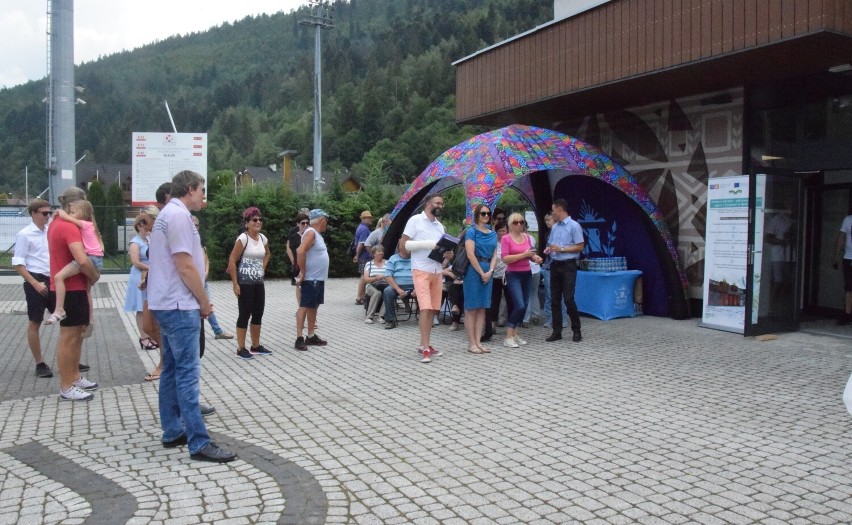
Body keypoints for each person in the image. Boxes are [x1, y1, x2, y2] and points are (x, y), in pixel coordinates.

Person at [147, 170, 236, 463]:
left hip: (166, 302)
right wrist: (204, 300)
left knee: (172, 369)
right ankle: (199, 442)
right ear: (188, 188)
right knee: (187, 372)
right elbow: (185, 266)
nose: (203, 195)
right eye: (201, 189)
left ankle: (172, 430)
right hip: (179, 303)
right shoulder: (180, 216)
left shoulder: (169, 214)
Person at [48, 187, 100, 401]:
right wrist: (94, 275)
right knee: (69, 338)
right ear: (72, 206)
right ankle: (66, 385)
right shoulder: (68, 227)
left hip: (73, 287)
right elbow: (81, 259)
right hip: (71, 289)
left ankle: (75, 377)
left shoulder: (55, 223)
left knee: (76, 336)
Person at [400, 193, 453, 363]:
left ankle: (427, 344)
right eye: (438, 202)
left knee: (432, 309)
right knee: (424, 308)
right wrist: (428, 244)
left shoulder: (440, 226)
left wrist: (448, 255)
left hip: (436, 270)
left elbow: (441, 252)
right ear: (428, 203)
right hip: (421, 269)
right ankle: (424, 347)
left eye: (442, 203)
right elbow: (404, 246)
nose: (441, 206)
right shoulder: (415, 220)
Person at [44, 200, 104, 326]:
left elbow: (66, 218)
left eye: (73, 212)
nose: (70, 215)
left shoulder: (86, 224)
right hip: (97, 259)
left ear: (84, 213)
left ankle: (59, 309)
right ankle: (90, 320)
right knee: (87, 292)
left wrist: (60, 212)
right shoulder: (91, 226)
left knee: (58, 277)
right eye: (70, 212)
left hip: (91, 258)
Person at [13, 198, 55, 378]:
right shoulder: (24, 234)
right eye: (45, 213)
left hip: (52, 279)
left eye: (49, 213)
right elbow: (18, 263)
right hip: (35, 279)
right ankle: (40, 363)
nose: (48, 216)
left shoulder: (49, 231)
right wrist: (34, 283)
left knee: (67, 320)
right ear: (33, 213)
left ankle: (71, 358)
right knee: (35, 321)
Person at [228, 207, 272, 359]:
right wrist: (235, 283)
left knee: (258, 313)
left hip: (258, 282)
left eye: (260, 219)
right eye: (254, 220)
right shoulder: (243, 239)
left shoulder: (263, 238)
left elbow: (267, 254)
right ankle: (241, 348)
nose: (258, 222)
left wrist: (262, 269)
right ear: (247, 223)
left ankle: (256, 345)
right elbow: (232, 261)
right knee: (244, 313)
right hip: (244, 283)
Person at [547, 199, 586, 343]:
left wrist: (562, 249)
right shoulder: (555, 227)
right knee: (554, 299)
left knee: (568, 298)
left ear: (560, 209)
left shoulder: (574, 226)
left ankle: (576, 330)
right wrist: (549, 249)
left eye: (553, 210)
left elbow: (580, 246)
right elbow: (553, 245)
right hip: (555, 264)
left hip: (569, 265)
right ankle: (557, 331)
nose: (553, 213)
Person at [501, 213, 542, 348]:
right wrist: (524, 255)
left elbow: (531, 254)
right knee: (519, 304)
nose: (519, 225)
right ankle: (508, 336)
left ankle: (515, 334)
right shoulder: (506, 238)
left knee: (524, 304)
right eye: (515, 222)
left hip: (526, 273)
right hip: (513, 274)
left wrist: (536, 258)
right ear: (510, 225)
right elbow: (505, 258)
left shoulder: (527, 238)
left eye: (521, 222)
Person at [463, 204, 498, 354]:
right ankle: (471, 343)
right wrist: (481, 272)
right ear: (477, 215)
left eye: (488, 213)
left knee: (482, 308)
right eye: (483, 213)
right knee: (472, 308)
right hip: (473, 270)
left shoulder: (493, 233)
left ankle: (479, 341)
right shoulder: (471, 232)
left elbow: (495, 254)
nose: (486, 216)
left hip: (487, 268)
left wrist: (490, 271)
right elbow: (470, 254)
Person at [192, 214, 233, 340]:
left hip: (203, 279)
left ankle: (217, 330)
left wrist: (206, 271)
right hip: (195, 280)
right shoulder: (189, 243)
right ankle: (216, 331)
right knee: (203, 305)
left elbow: (206, 259)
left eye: (197, 225)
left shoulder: (200, 242)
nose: (195, 227)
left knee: (207, 304)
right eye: (193, 225)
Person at [124, 207, 160, 352]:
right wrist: (151, 268)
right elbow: (135, 261)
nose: (147, 227)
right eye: (144, 223)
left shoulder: (149, 240)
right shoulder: (135, 242)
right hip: (139, 275)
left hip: (150, 276)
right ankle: (143, 337)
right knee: (140, 308)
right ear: (139, 225)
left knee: (149, 307)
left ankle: (150, 334)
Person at [295, 209, 331, 351]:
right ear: (321, 220)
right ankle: (299, 338)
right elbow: (300, 250)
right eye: (326, 221)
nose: (327, 224)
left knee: (314, 306)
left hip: (318, 278)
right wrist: (303, 272)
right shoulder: (311, 233)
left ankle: (310, 335)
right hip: (311, 278)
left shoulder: (316, 234)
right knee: (304, 306)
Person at [539, 213, 568, 330]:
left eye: (549, 220)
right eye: (545, 220)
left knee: (559, 295)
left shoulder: (561, 233)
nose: (547, 222)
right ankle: (550, 319)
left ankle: (563, 319)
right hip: (547, 267)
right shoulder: (548, 234)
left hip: (557, 267)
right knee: (549, 295)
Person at [483, 221, 509, 342]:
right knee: (494, 300)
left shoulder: (509, 241)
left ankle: (510, 325)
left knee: (510, 300)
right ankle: (492, 324)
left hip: (508, 275)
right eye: (500, 231)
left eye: (504, 230)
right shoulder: (494, 243)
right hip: (495, 275)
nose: (502, 233)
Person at [382, 247, 415, 330]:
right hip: (398, 286)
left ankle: (427, 319)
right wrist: (398, 289)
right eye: (405, 247)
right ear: (400, 248)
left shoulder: (416, 258)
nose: (408, 249)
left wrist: (417, 288)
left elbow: (422, 274)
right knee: (387, 291)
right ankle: (390, 320)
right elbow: (388, 275)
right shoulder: (393, 258)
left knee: (425, 290)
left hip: (415, 286)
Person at [834, 212, 852, 325]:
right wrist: (836, 256)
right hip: (849, 257)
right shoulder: (848, 220)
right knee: (849, 287)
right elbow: (842, 237)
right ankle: (847, 314)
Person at [363, 245, 388, 323]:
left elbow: (392, 275)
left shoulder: (388, 263)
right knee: (377, 293)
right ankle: (369, 317)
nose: (381, 253)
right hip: (371, 285)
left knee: (388, 293)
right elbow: (366, 279)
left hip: (385, 283)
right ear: (374, 254)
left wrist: (384, 276)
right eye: (379, 251)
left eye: (382, 251)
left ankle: (381, 316)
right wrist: (375, 278)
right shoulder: (369, 264)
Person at [286, 211, 310, 292]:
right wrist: (293, 260)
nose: (305, 225)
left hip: (309, 262)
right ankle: (300, 304)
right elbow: (288, 247)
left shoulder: (311, 233)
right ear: (298, 223)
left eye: (307, 222)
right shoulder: (293, 233)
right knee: (298, 285)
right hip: (297, 262)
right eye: (303, 223)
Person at [354, 210, 373, 305]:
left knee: (363, 276)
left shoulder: (360, 227)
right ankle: (359, 297)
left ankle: (361, 296)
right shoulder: (364, 229)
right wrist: (357, 255)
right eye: (369, 218)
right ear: (364, 219)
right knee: (363, 276)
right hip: (365, 256)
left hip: (363, 256)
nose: (371, 220)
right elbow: (361, 244)